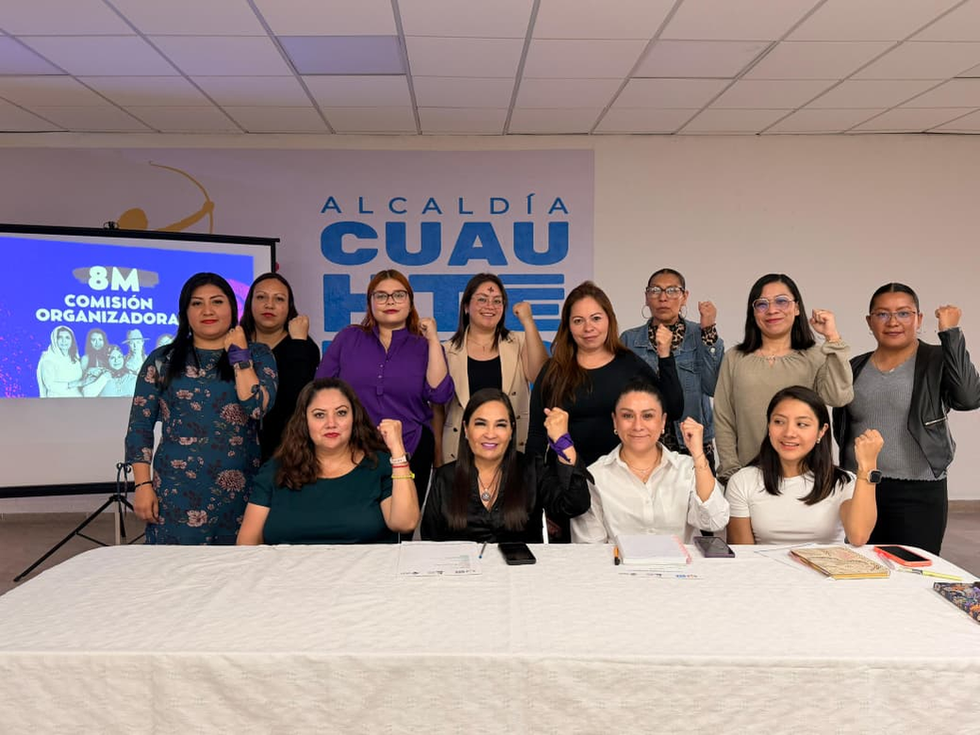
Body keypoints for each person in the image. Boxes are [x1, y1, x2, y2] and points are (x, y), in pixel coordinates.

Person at [126, 272, 278, 545]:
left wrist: (240, 356)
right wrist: (142, 485)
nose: (208, 311)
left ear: (232, 308)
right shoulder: (163, 360)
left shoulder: (259, 355)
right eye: (197, 304)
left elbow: (256, 408)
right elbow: (139, 427)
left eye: (217, 302)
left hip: (242, 492)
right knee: (173, 576)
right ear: (185, 312)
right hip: (175, 492)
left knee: (238, 575)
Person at [526, 281, 683, 541]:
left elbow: (673, 409)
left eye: (596, 318)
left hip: (620, 489)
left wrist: (665, 355)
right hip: (568, 492)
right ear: (568, 326)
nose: (588, 328)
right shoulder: (554, 371)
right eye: (578, 321)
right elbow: (535, 438)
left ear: (609, 320)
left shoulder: (630, 365)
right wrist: (542, 499)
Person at [833, 284, 980, 554]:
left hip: (919, 491)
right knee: (857, 574)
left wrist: (951, 334)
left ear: (919, 319)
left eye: (903, 313)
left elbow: (969, 398)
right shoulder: (855, 366)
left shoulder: (936, 360)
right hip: (861, 488)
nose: (893, 322)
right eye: (882, 314)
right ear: (869, 321)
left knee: (912, 575)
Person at [315, 269, 453, 505]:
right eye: (381, 296)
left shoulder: (422, 345)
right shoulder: (349, 338)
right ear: (370, 303)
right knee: (358, 521)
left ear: (410, 303)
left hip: (412, 445)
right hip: (353, 447)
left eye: (399, 295)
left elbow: (440, 393)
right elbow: (320, 389)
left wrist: (432, 339)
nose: (390, 301)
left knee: (402, 523)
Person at [237, 378, 420, 545]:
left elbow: (405, 523)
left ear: (354, 418)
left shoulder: (379, 464)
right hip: (288, 578)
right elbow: (247, 545)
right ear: (304, 421)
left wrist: (397, 449)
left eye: (341, 413)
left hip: (364, 579)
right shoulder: (275, 469)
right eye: (319, 415)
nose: (331, 423)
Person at [714, 273, 853, 481]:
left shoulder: (816, 356)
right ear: (753, 313)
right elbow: (724, 418)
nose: (772, 310)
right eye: (762, 304)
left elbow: (839, 397)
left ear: (797, 308)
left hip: (806, 476)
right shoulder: (735, 358)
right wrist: (731, 471)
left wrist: (832, 339)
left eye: (781, 301)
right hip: (747, 476)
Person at [421, 389, 590, 543]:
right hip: (463, 575)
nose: (490, 434)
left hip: (521, 573)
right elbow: (430, 542)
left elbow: (574, 505)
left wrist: (563, 441)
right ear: (466, 429)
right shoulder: (444, 477)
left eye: (500, 425)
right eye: (481, 424)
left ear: (511, 431)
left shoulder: (532, 469)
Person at [571, 379, 728, 543]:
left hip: (682, 567)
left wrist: (698, 455)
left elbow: (714, 521)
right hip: (619, 567)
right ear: (615, 421)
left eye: (648, 416)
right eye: (627, 416)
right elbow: (589, 547)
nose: (638, 426)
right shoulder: (595, 476)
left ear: (663, 421)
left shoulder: (687, 468)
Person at [726, 386, 882, 546]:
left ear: (822, 431)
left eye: (801, 424)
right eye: (779, 422)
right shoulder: (742, 481)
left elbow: (859, 536)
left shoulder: (842, 482)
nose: (789, 433)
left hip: (829, 569)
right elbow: (743, 557)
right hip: (766, 570)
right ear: (769, 426)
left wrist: (867, 466)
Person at [433, 273, 548, 466]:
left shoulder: (519, 342)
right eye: (482, 299)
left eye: (497, 301)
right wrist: (436, 455)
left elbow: (540, 376)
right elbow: (437, 409)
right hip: (459, 453)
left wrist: (528, 321)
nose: (490, 306)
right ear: (467, 307)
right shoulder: (445, 351)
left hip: (511, 451)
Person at [620, 268, 724, 470]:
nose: (663, 298)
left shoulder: (699, 333)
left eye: (672, 291)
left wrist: (709, 332)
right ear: (646, 297)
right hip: (644, 444)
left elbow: (713, 387)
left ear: (685, 297)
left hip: (691, 445)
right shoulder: (629, 340)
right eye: (655, 291)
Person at [241, 273, 321, 462]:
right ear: (250, 303)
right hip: (236, 450)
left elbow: (298, 399)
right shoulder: (235, 343)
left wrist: (299, 344)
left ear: (289, 307)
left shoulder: (303, 346)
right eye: (261, 297)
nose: (269, 305)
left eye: (279, 299)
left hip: (286, 452)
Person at [36, 325, 83, 397]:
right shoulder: (48, 359)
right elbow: (50, 385)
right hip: (57, 402)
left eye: (67, 338)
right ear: (55, 340)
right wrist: (74, 384)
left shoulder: (75, 359)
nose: (64, 341)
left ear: (72, 341)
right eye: (60, 337)